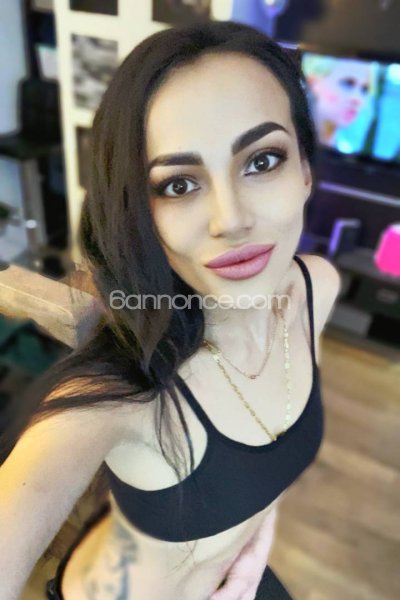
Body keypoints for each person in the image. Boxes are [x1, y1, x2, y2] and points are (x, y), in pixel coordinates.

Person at [0, 21, 341, 600]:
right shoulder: (119, 392)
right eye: (179, 184)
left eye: (262, 160)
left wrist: (256, 543)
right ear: (140, 211)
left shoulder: (316, 290)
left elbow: (269, 453)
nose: (231, 220)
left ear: (304, 170)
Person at [302, 54, 375, 147]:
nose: (358, 99)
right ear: (313, 82)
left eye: (364, 89)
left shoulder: (347, 147)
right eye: (348, 83)